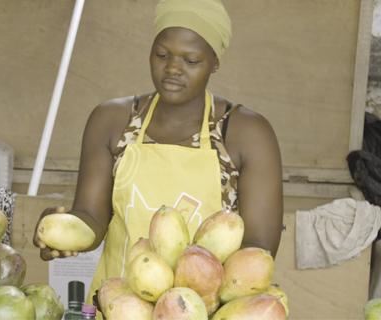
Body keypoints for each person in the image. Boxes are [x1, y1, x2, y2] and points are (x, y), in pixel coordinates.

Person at [33, 0, 283, 309]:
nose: (173, 69)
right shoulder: (112, 121)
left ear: (214, 62)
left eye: (190, 60)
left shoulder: (246, 133)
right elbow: (92, 217)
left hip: (197, 311)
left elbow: (258, 251)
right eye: (162, 55)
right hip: (118, 307)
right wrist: (64, 228)